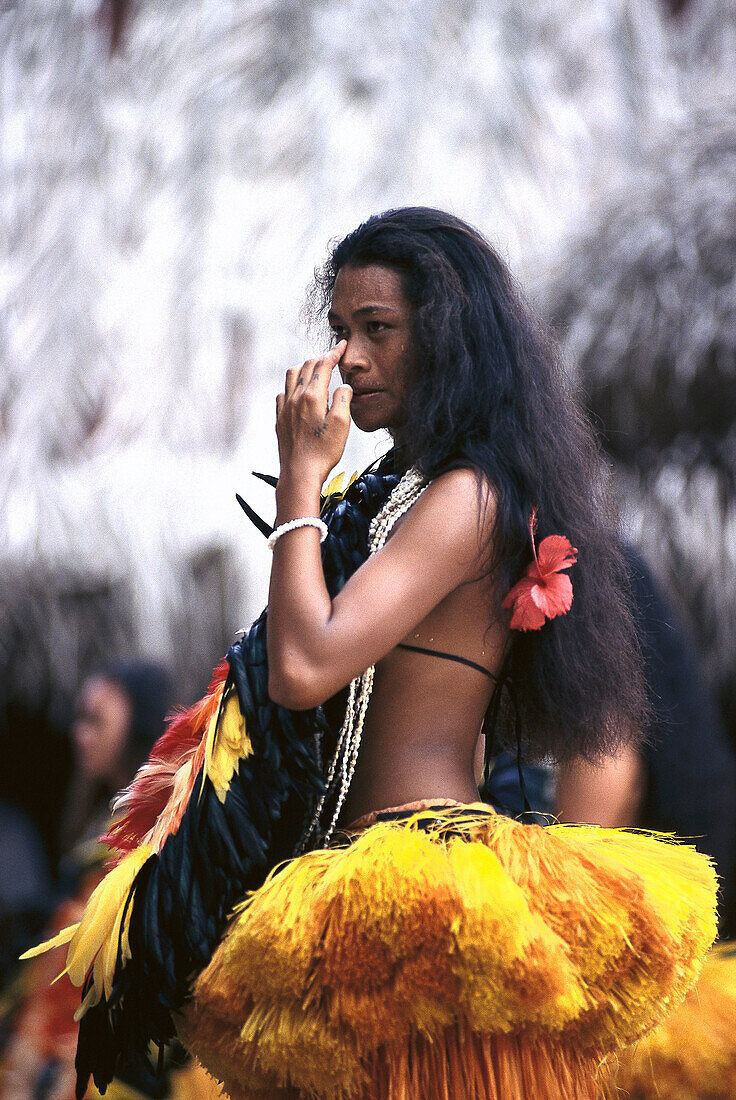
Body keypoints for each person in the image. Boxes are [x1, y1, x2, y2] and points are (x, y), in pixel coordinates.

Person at [29, 210, 718, 1100]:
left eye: (377, 331)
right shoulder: (412, 491)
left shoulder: (470, 496)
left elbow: (307, 666)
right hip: (359, 867)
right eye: (340, 332)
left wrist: (301, 479)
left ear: (448, 341)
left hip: (419, 886)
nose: (348, 358)